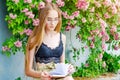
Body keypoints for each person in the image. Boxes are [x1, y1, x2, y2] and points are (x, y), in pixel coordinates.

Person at [25, 2, 74, 80]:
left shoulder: (62, 38)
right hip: (43, 77)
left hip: (58, 76)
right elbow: (28, 71)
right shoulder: (35, 39)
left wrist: (67, 69)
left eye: (55, 19)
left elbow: (62, 64)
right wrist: (40, 74)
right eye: (49, 19)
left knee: (69, 78)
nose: (53, 23)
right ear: (43, 19)